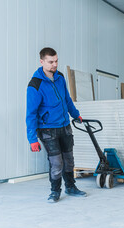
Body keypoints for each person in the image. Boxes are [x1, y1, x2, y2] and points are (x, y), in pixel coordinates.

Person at [26, 47, 87, 203]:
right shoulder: (35, 84)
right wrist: (32, 138)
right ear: (42, 62)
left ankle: (71, 187)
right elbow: (31, 114)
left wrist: (75, 114)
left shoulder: (60, 77)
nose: (54, 64)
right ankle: (55, 191)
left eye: (56, 61)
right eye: (50, 62)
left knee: (69, 159)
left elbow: (67, 99)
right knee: (56, 162)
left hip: (64, 125)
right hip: (47, 129)